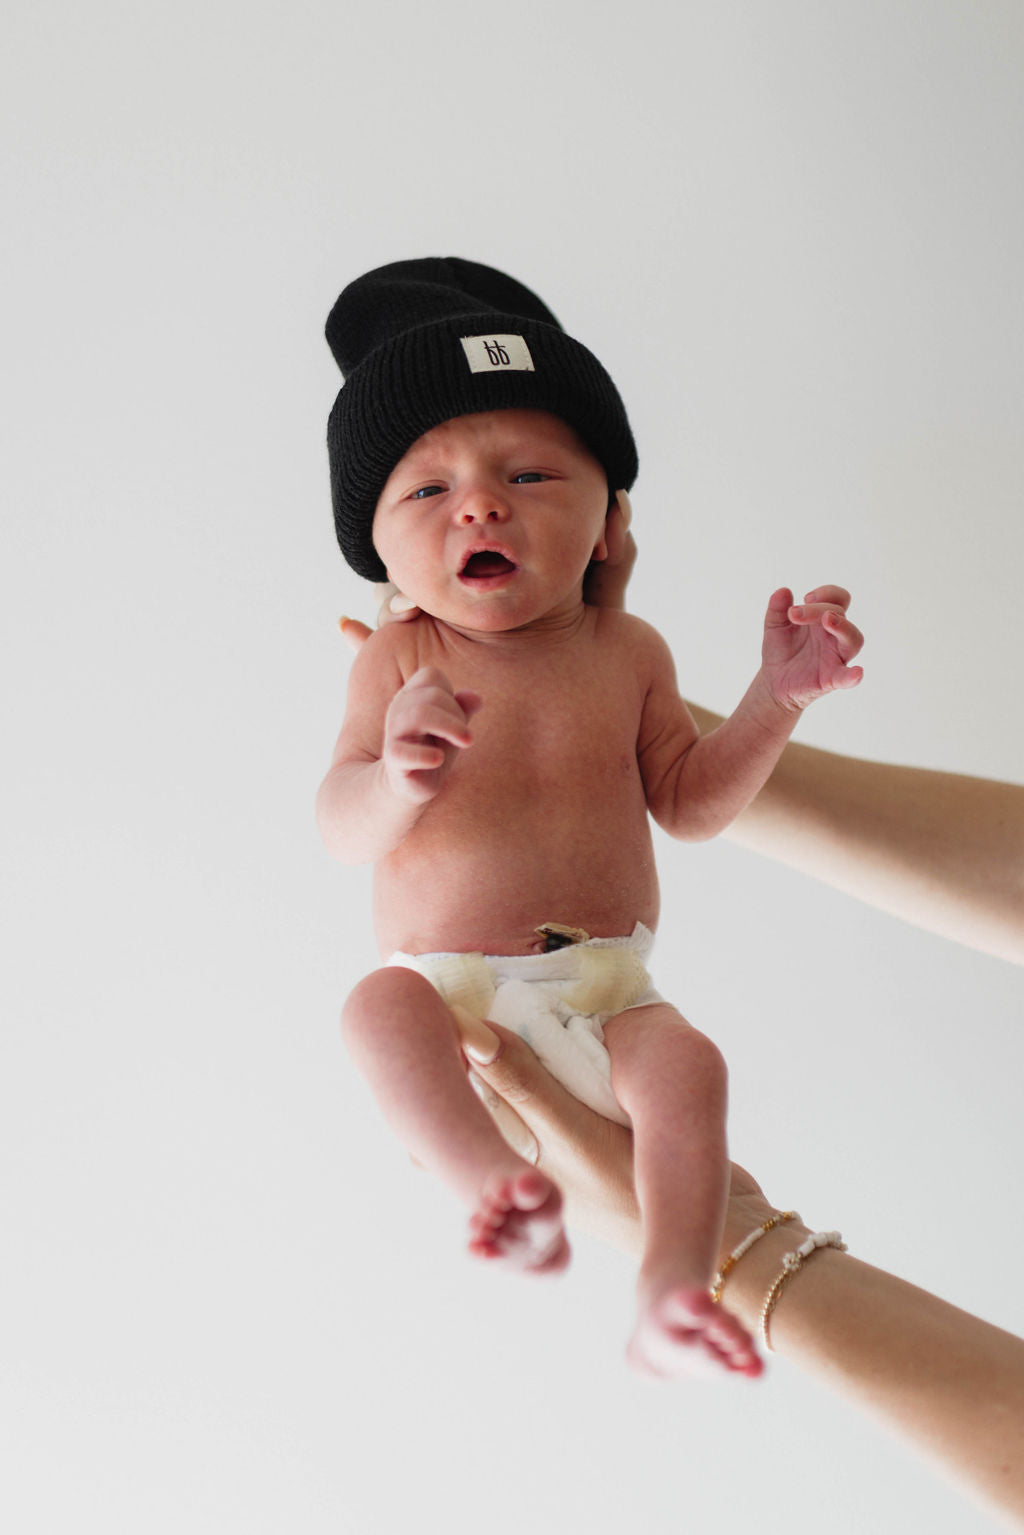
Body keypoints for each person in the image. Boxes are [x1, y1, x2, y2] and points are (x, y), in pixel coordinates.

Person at [316, 256, 864, 1380]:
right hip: (451, 995)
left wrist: (777, 698)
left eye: (527, 473)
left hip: (612, 991)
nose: (479, 502)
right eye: (427, 491)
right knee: (375, 1009)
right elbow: (338, 824)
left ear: (609, 523)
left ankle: (670, 1282)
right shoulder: (398, 659)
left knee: (691, 1070)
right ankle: (491, 1186)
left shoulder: (628, 654)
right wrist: (398, 777)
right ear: (385, 557)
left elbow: (691, 804)